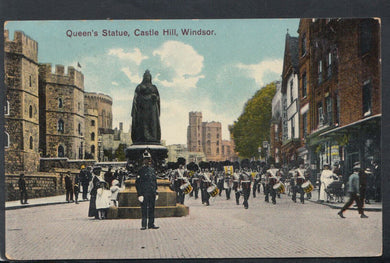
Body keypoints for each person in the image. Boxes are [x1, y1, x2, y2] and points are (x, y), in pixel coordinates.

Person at [131, 70, 161, 144]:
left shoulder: (154, 87)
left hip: (152, 109)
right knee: (143, 124)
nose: (147, 77)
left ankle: (153, 138)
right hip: (142, 109)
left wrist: (155, 98)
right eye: (146, 76)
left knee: (152, 123)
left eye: (148, 76)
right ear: (144, 77)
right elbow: (135, 98)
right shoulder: (140, 87)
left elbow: (158, 98)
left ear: (150, 78)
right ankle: (143, 137)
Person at [135, 150, 159, 230]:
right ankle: (144, 224)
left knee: (152, 208)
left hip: (152, 192)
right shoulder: (140, 171)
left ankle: (151, 224)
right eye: (146, 159)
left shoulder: (152, 170)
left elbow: (154, 181)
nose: (148, 161)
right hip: (144, 192)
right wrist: (139, 194)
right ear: (143, 160)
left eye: (149, 159)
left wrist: (156, 191)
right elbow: (138, 183)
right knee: (144, 209)